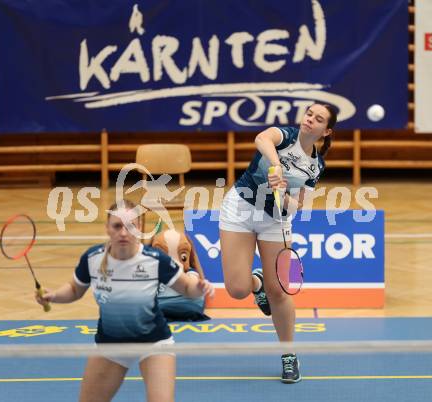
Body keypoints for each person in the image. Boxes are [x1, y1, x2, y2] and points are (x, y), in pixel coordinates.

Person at [36, 199, 214, 402]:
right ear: (107, 228)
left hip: (153, 342)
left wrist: (198, 287)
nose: (123, 232)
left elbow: (186, 288)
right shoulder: (93, 258)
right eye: (117, 226)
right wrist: (54, 296)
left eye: (130, 226)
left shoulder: (154, 259)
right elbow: (75, 289)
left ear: (139, 229)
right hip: (111, 343)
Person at [219, 103, 337, 383]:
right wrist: (276, 166)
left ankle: (288, 355)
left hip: (276, 221)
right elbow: (262, 138)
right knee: (236, 290)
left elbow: (299, 206)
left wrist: (284, 195)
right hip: (240, 209)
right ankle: (255, 284)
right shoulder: (285, 135)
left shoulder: (316, 165)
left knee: (280, 291)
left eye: (318, 119)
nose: (310, 120)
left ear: (326, 130)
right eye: (309, 114)